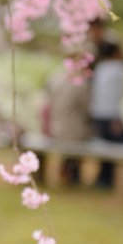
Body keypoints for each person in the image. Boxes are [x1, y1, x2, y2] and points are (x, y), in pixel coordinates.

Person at [45, 51, 94, 184]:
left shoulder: (55, 79)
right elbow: (87, 109)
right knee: (91, 132)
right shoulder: (81, 84)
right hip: (73, 131)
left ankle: (68, 170)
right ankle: (71, 172)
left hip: (55, 127)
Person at [89, 40, 123, 189]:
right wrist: (117, 118)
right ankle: (117, 182)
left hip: (97, 114)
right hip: (111, 115)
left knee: (106, 149)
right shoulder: (118, 68)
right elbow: (116, 95)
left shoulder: (99, 68)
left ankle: (104, 181)